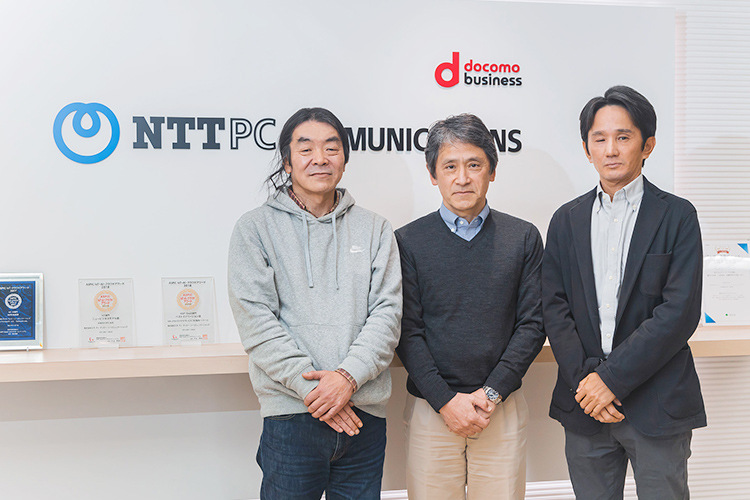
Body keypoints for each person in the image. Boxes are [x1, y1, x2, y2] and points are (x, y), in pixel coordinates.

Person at [228, 107, 402, 500]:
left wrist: (346, 379)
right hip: (291, 414)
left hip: (363, 414)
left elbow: (387, 315)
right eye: (306, 149)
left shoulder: (375, 229)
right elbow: (256, 320)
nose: (320, 158)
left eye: (331, 148)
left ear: (344, 159)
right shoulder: (254, 229)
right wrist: (316, 392)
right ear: (287, 162)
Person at [542, 85, 706, 499]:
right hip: (585, 404)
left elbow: (679, 312)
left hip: (658, 402)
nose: (610, 149)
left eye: (623, 137)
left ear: (647, 145)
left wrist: (610, 380)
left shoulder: (677, 216)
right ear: (586, 149)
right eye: (599, 139)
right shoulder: (565, 220)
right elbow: (555, 309)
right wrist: (588, 384)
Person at [395, 113, 545, 500]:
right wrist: (445, 401)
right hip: (432, 408)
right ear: (433, 174)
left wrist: (491, 394)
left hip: (500, 407)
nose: (462, 178)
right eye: (450, 166)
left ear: (492, 171)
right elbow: (407, 331)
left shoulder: (523, 237)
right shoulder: (407, 241)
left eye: (474, 165)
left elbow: (532, 325)